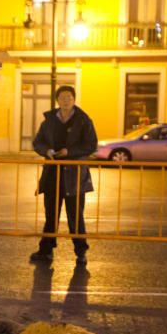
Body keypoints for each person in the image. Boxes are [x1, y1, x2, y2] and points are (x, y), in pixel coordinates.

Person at [30, 85, 98, 266]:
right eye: (62, 98)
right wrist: (47, 151)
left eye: (69, 97)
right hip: (52, 173)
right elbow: (38, 142)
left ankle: (81, 251)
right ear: (57, 100)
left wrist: (70, 151)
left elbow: (91, 145)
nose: (66, 100)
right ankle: (46, 250)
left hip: (74, 176)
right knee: (50, 214)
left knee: (75, 215)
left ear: (74, 99)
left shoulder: (83, 120)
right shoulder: (49, 120)